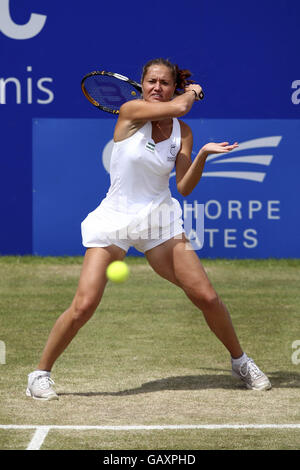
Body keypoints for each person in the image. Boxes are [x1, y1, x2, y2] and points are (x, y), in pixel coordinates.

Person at [26, 58, 271, 400]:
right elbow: (183, 105)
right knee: (84, 305)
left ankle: (241, 362)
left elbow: (184, 186)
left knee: (206, 295)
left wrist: (200, 155)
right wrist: (195, 92)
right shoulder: (130, 111)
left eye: (165, 83)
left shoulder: (182, 132)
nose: (157, 87)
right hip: (114, 220)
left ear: (172, 86)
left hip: (159, 220)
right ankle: (39, 374)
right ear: (141, 85)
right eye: (152, 81)